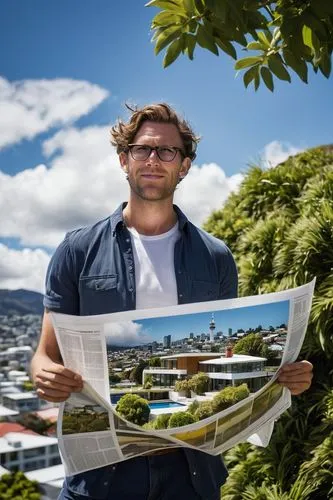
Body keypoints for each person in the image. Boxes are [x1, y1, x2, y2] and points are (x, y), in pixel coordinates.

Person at [31, 103, 313, 500]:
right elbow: (44, 355)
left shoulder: (216, 257)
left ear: (184, 166)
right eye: (142, 149)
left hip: (190, 474)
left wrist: (284, 378)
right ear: (123, 159)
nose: (153, 160)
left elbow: (229, 364)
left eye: (167, 151)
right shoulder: (77, 250)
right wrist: (45, 375)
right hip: (102, 478)